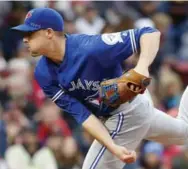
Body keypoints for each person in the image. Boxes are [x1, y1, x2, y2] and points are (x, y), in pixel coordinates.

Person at [11, 7, 188, 169]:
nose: (25, 39)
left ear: (49, 33)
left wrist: (142, 67)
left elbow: (150, 33)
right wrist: (113, 147)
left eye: (31, 33)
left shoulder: (90, 47)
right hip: (116, 115)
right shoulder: (43, 73)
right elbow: (84, 116)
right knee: (183, 133)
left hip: (128, 110)